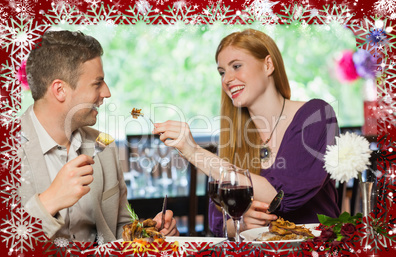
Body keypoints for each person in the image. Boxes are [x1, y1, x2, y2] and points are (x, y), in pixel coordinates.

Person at [153, 28, 340, 237]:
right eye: (222, 72)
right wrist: (241, 223)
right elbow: (218, 223)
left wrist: (194, 152)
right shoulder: (234, 136)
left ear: (268, 65)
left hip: (314, 253)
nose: (226, 79)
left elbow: (280, 197)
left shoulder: (316, 116)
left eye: (236, 66)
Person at [18, 30, 179, 243]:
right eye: (97, 83)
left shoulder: (104, 145)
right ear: (60, 90)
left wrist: (149, 234)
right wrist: (49, 201)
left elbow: (120, 227)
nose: (107, 92)